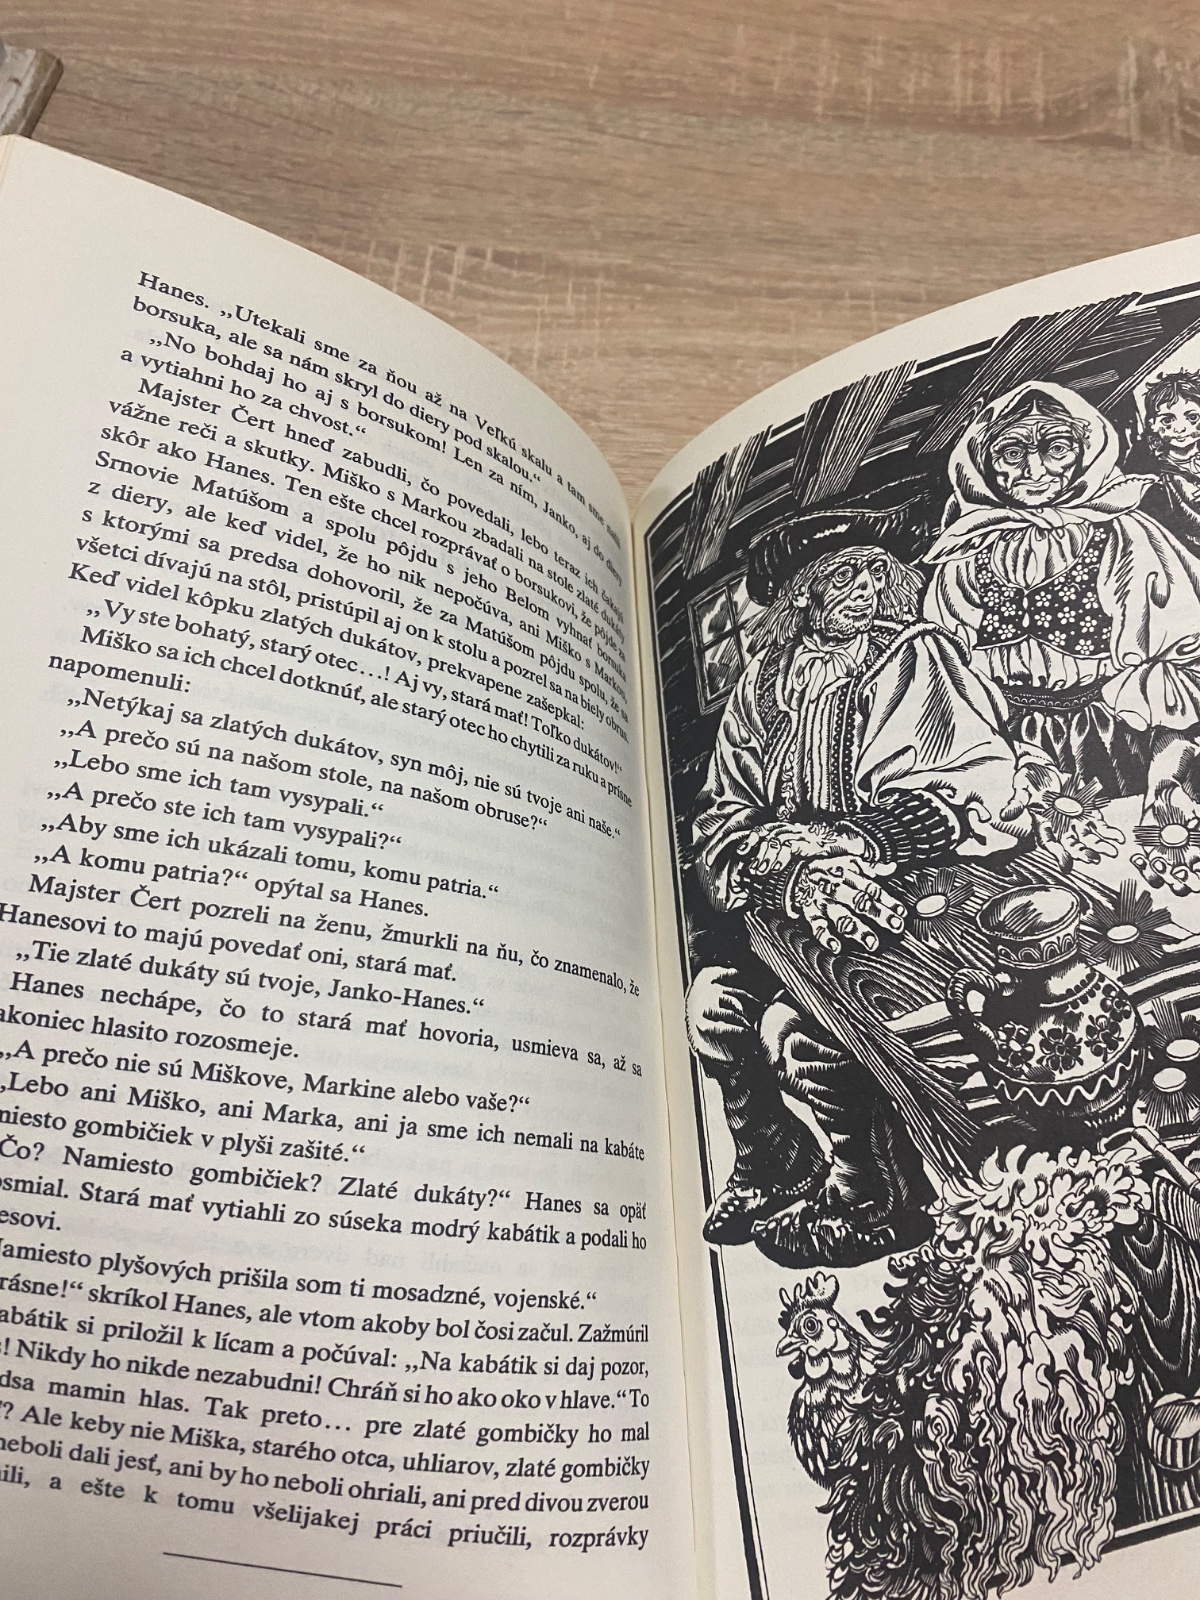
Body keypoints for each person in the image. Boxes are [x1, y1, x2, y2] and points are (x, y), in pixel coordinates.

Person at [687, 517, 1024, 1267]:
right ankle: (774, 1158)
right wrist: (787, 866)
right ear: (802, 597)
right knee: (712, 1008)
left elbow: (973, 782)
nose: (864, 591)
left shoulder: (912, 656)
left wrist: (855, 843)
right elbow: (723, 814)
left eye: (872, 573)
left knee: (798, 1034)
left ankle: (874, 1195)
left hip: (912, 895)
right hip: (792, 905)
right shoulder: (762, 687)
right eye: (842, 578)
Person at [923, 380, 1200, 889]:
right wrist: (1005, 767)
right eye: (1012, 452)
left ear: (1086, 451)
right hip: (1008, 757)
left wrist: (1165, 785)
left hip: (1117, 747)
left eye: (1056, 448)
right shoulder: (962, 556)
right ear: (983, 462)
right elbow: (950, 689)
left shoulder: (1124, 536)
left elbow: (1182, 675)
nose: (1034, 470)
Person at [1139, 369, 1200, 555]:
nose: (1180, 428)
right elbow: (1184, 519)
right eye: (1167, 420)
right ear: (1152, 424)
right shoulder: (1162, 475)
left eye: (1192, 417)